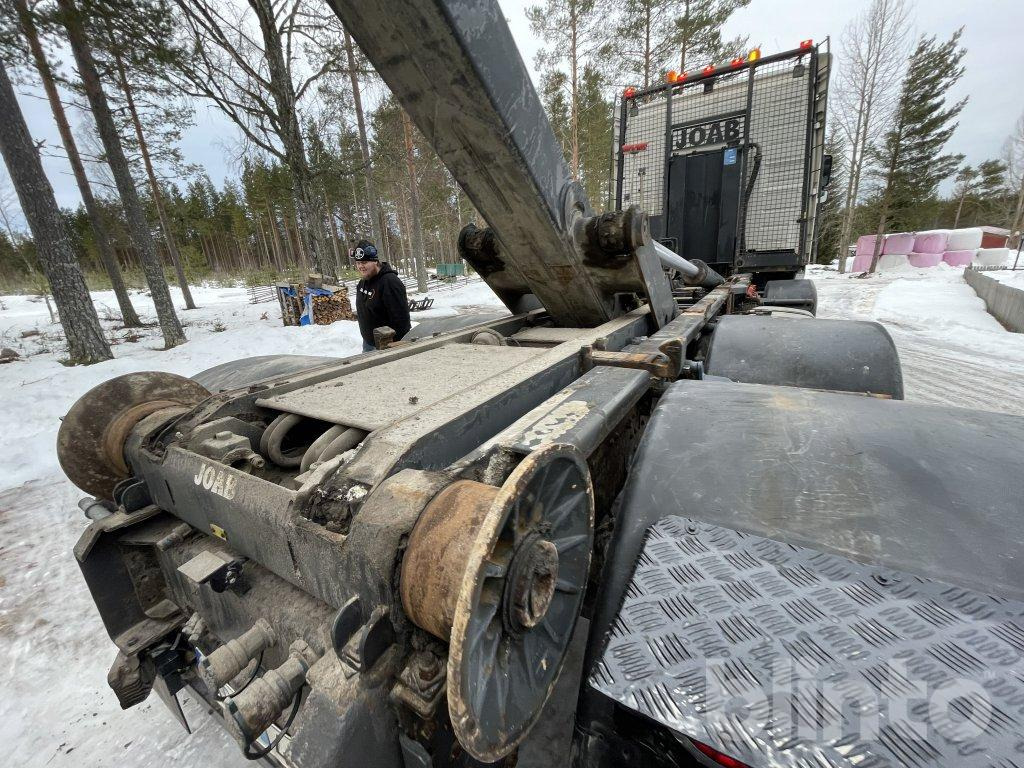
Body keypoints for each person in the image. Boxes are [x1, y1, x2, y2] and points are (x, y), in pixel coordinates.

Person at [352, 240, 411, 352]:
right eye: (358, 263)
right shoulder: (363, 282)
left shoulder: (390, 282)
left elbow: (402, 321)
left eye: (364, 262)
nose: (360, 266)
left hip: (387, 346)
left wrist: (396, 348)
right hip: (368, 343)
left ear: (375, 261)